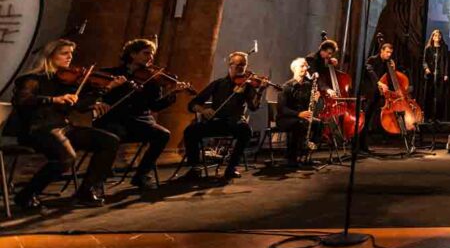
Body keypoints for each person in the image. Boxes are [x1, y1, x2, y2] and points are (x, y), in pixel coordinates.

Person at [11, 39, 119, 209]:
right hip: (38, 128)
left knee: (109, 141)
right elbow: (22, 100)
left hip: (63, 127)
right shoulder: (31, 78)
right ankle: (26, 195)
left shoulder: (65, 80)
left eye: (71, 54)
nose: (70, 57)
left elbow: (80, 106)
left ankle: (86, 191)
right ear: (49, 55)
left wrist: (102, 91)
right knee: (66, 158)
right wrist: (54, 99)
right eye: (64, 53)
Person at [95, 38, 180, 190]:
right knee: (114, 133)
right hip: (112, 120)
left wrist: (172, 94)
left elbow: (155, 106)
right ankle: (98, 177)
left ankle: (142, 175)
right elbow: (95, 94)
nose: (150, 57)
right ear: (133, 54)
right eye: (146, 53)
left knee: (163, 134)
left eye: (152, 54)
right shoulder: (111, 74)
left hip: (138, 122)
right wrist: (100, 100)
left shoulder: (152, 80)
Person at [182, 51, 264, 181]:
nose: (241, 68)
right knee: (191, 130)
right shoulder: (218, 84)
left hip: (235, 123)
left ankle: (231, 167)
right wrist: (203, 110)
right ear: (230, 65)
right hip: (217, 122)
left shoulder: (247, 86)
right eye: (238, 65)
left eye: (243, 65)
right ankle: (195, 168)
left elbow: (253, 107)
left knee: (246, 131)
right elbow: (193, 103)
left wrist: (260, 92)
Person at [276, 58, 325, 168]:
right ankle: (292, 158)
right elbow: (282, 109)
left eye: (306, 66)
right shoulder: (286, 87)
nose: (305, 68)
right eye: (302, 66)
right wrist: (298, 114)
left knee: (318, 123)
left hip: (302, 118)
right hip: (286, 118)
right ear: (295, 69)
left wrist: (316, 100)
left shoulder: (308, 86)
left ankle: (307, 154)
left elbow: (310, 107)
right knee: (300, 123)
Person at [361, 41, 396, 152]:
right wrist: (379, 82)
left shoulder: (387, 63)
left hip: (378, 94)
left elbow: (389, 79)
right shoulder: (372, 59)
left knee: (369, 119)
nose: (389, 55)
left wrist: (393, 70)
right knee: (364, 119)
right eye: (387, 52)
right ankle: (358, 145)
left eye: (390, 53)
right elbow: (369, 71)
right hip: (369, 93)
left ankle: (364, 146)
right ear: (381, 51)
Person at [422, 29, 449, 119]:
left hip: (440, 75)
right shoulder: (428, 48)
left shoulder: (444, 47)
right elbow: (424, 61)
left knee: (439, 97)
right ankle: (427, 117)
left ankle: (438, 117)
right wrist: (426, 69)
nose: (437, 37)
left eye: (439, 35)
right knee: (428, 96)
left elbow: (446, 62)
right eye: (435, 35)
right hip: (430, 76)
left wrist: (446, 74)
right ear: (432, 37)